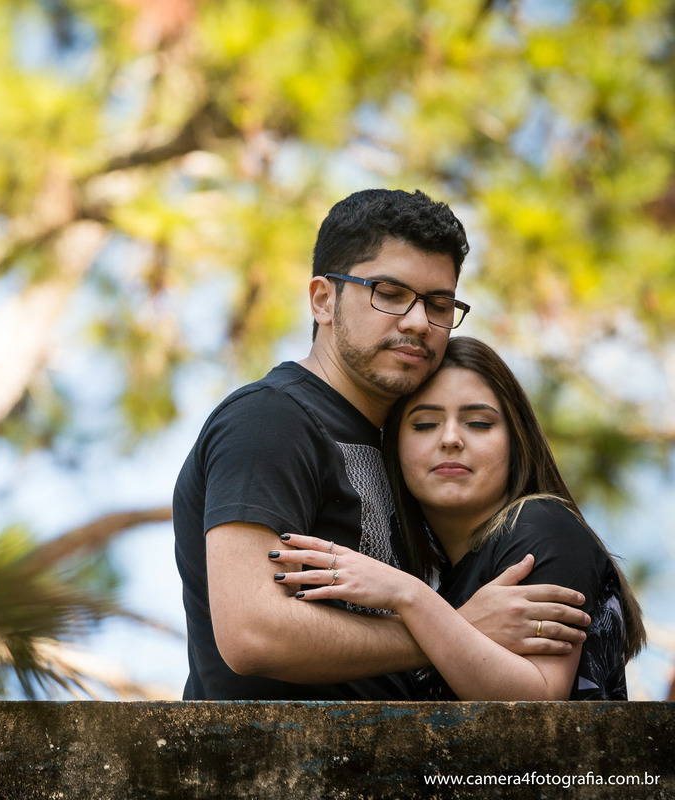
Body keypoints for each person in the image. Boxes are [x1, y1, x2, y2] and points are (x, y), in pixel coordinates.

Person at [173, 188, 591, 701]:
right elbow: (252, 634)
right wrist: (451, 628)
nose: (418, 321)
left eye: (438, 303)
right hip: (270, 771)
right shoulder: (271, 420)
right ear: (323, 300)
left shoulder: (408, 449)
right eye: (389, 293)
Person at [269, 337, 645, 699]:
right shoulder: (446, 583)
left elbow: (539, 698)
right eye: (425, 424)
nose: (450, 438)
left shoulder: (540, 525)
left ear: (517, 442)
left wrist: (407, 595)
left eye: (479, 423)